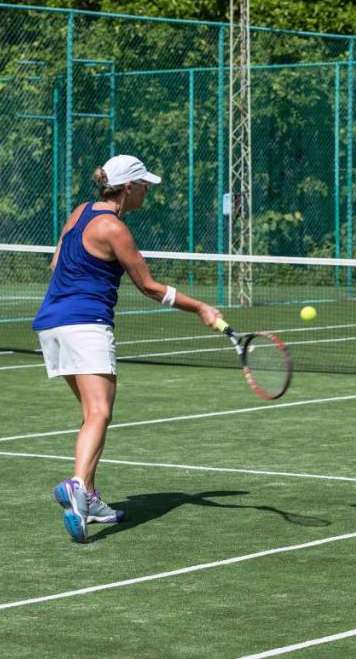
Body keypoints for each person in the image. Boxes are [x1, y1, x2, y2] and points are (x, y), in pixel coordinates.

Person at [32, 154, 221, 543]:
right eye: (144, 185)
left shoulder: (81, 212)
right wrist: (200, 307)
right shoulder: (113, 228)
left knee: (91, 414)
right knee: (100, 412)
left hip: (51, 324)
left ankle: (92, 500)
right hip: (86, 324)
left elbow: (55, 263)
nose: (147, 191)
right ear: (129, 187)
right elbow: (149, 287)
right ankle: (78, 487)